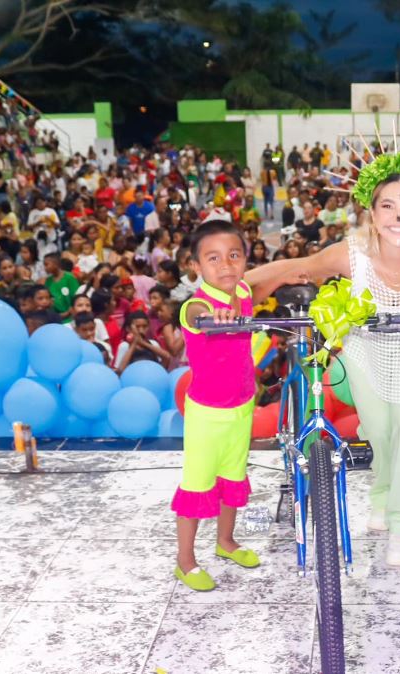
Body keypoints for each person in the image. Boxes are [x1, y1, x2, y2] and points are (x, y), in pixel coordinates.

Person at [246, 151, 400, 567]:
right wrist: (236, 288)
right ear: (372, 211)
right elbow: (300, 267)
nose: (398, 216)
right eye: (388, 205)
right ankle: (383, 494)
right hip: (368, 349)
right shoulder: (351, 252)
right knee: (379, 429)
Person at [173, 220, 260, 592]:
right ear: (196, 266)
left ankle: (225, 542)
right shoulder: (195, 306)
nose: (225, 265)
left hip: (242, 407)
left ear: (245, 259)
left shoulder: (242, 288)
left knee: (233, 478)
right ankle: (185, 560)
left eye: (234, 256)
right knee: (197, 485)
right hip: (208, 415)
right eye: (213, 259)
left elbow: (261, 278)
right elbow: (195, 318)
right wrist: (213, 318)